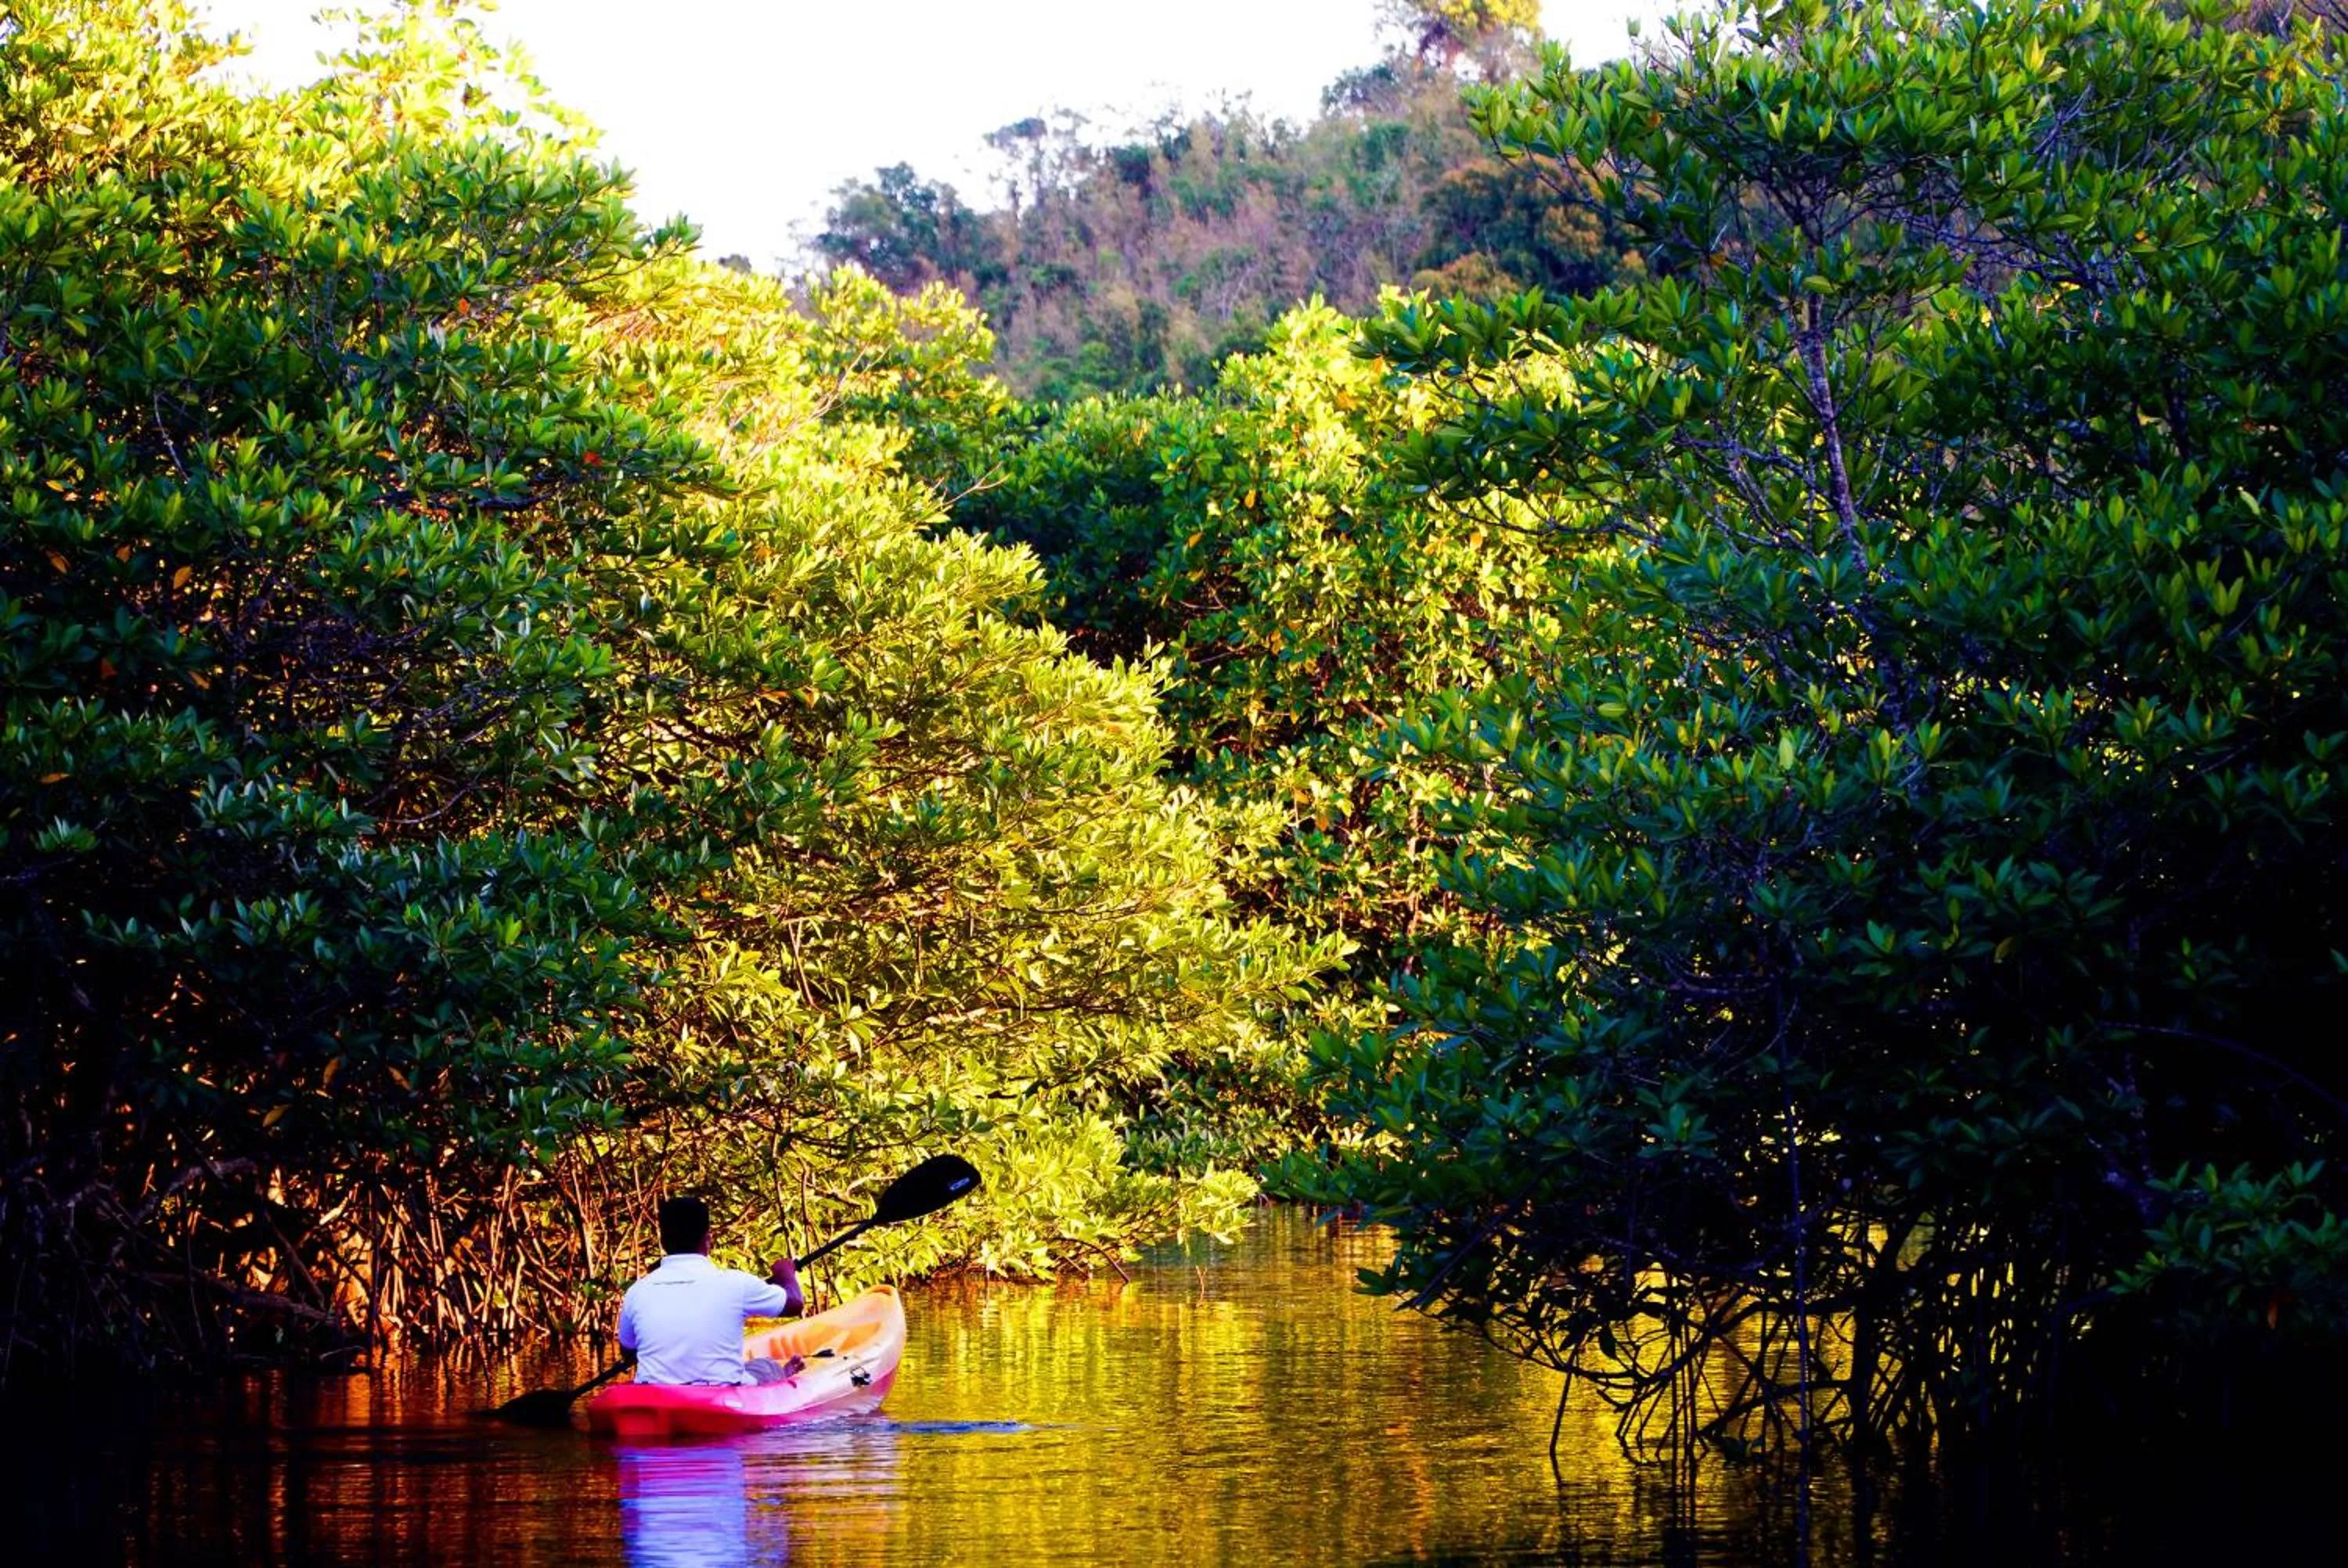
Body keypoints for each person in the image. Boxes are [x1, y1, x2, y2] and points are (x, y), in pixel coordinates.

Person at [618, 1194, 806, 1386]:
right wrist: (786, 1273)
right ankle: (781, 1376)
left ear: (663, 1241)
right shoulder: (736, 1284)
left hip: (657, 1395)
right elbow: (795, 1304)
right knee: (767, 1365)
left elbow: (629, 1351)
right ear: (708, 1240)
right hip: (721, 1394)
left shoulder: (637, 1292)